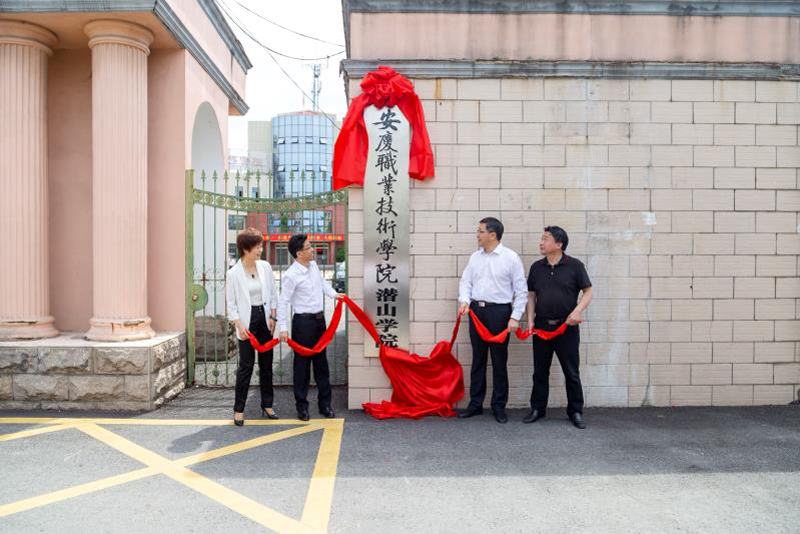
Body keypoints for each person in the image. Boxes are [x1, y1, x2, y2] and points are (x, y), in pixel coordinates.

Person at [457, 217, 528, 424]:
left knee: (499, 361)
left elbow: (521, 292)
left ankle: (499, 406)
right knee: (478, 359)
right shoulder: (475, 257)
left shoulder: (511, 258)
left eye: (480, 231)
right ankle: (475, 404)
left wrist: (515, 317)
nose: (477, 235)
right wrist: (464, 301)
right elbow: (465, 282)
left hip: (500, 314)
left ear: (493, 235)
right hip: (477, 313)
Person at [524, 226, 593, 429]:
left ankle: (575, 411)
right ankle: (538, 409)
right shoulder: (537, 267)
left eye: (546, 239)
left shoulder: (575, 266)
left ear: (559, 244)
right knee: (540, 371)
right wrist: (530, 320)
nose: (541, 242)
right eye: (541, 238)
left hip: (566, 328)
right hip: (541, 327)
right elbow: (531, 296)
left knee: (571, 372)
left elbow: (588, 291)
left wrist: (577, 311)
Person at [278, 234, 343, 421]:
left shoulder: (313, 266)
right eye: (308, 247)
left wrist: (335, 295)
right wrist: (283, 328)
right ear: (299, 253)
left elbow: (323, 284)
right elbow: (283, 301)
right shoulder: (291, 275)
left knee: (322, 365)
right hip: (303, 324)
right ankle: (302, 407)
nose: (312, 250)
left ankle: (325, 405)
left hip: (319, 322)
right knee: (302, 367)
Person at [225, 228, 278, 427]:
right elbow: (231, 304)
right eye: (257, 246)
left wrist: (273, 316)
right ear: (246, 249)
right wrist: (239, 325)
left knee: (267, 364)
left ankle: (267, 405)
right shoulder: (233, 273)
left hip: (265, 318)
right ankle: (239, 410)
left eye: (261, 246)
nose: (261, 250)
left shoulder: (265, 267)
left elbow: (273, 293)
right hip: (246, 322)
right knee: (246, 366)